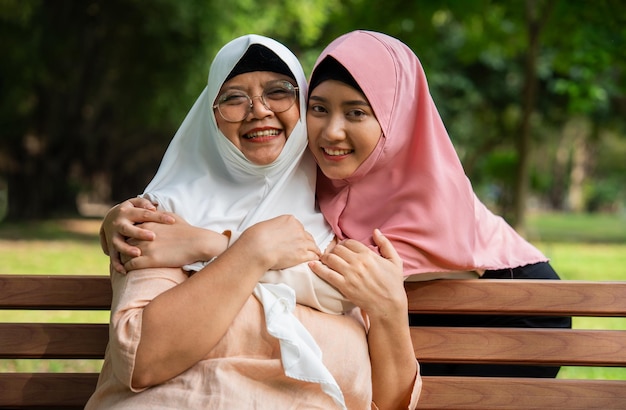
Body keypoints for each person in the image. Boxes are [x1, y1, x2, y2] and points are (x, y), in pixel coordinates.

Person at [88, 34, 420, 410]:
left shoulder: (342, 229)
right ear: (210, 116)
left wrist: (391, 309)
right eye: (233, 97)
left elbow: (390, 403)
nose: (258, 110)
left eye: (279, 92)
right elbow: (143, 360)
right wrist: (252, 250)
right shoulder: (163, 215)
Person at [305, 30, 571, 378]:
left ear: (396, 117)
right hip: (407, 334)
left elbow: (353, 272)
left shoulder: (433, 190)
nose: (331, 132)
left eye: (356, 112)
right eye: (318, 108)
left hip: (516, 316)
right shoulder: (310, 182)